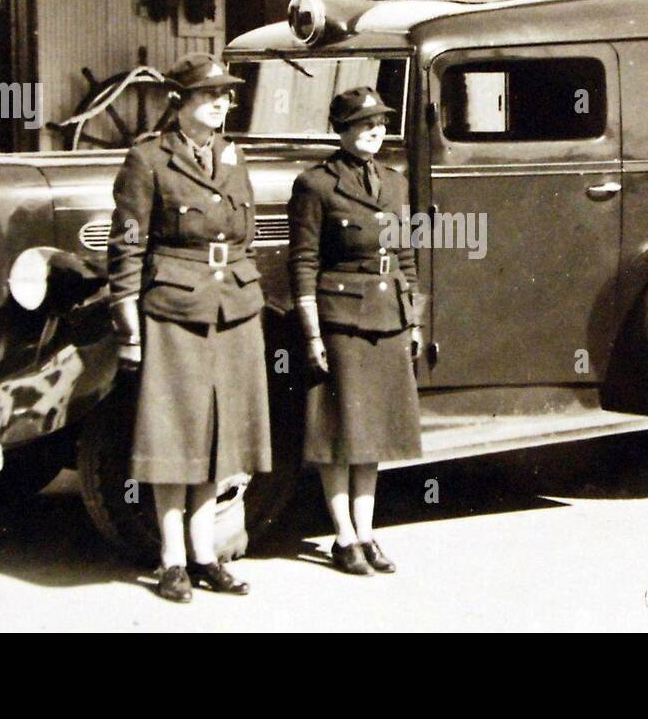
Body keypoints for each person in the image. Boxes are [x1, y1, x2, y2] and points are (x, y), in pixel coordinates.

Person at [107, 53, 272, 602]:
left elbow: (242, 234)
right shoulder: (148, 158)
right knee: (174, 433)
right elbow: (129, 238)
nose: (224, 104)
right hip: (175, 306)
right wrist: (126, 304)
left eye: (227, 95)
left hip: (234, 306)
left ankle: (206, 554)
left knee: (218, 435)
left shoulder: (232, 154)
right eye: (211, 95)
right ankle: (172, 559)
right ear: (179, 103)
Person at [287, 86, 424, 576]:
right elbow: (303, 261)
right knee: (340, 429)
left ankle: (367, 532)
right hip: (340, 317)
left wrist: (414, 319)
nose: (375, 132)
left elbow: (406, 254)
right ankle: (342, 536)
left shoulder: (395, 181)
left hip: (388, 315)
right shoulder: (315, 185)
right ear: (341, 131)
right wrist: (312, 334)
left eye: (381, 124)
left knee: (373, 433)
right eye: (364, 125)